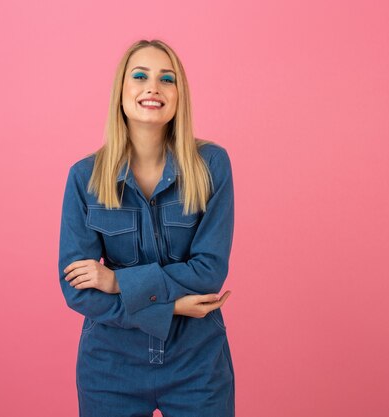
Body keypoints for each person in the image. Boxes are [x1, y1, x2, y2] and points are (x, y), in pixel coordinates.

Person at [58, 39, 235, 417]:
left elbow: (209, 271)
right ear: (121, 91)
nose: (153, 87)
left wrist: (117, 281)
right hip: (110, 366)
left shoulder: (212, 166)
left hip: (197, 363)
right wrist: (171, 309)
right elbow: (78, 291)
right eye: (140, 76)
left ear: (179, 95)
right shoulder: (84, 177)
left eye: (166, 79)